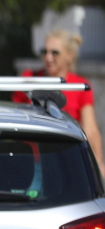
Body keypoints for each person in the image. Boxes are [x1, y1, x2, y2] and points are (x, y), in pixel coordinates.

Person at [14, 29, 104, 174]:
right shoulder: (28, 79)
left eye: (55, 52)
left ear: (70, 56)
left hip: (67, 164)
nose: (48, 57)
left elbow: (90, 129)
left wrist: (98, 164)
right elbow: (13, 120)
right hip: (31, 163)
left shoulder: (80, 86)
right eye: (44, 52)